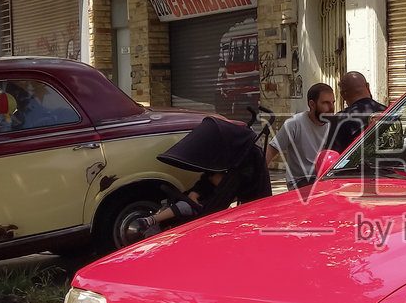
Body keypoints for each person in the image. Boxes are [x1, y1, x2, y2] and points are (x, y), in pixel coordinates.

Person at [134, 116, 272, 237]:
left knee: (186, 207)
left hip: (252, 203)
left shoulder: (239, 173)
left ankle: (153, 220)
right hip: (202, 201)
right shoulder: (219, 169)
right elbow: (205, 184)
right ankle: (154, 220)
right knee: (184, 204)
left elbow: (217, 204)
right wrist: (194, 194)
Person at [266, 82, 333, 189]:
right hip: (301, 181)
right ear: (312, 104)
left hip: (325, 178)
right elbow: (271, 151)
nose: (331, 107)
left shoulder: (333, 125)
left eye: (332, 102)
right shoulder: (294, 123)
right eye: (325, 103)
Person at [326, 71, 386, 155]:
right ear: (367, 86)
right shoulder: (388, 112)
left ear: (342, 95)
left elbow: (332, 155)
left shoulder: (340, 118)